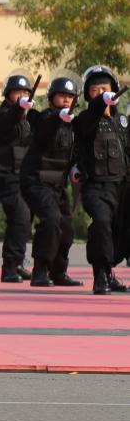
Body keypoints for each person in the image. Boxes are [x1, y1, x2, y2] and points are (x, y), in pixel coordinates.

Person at [20, 76, 81, 288]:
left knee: (67, 226)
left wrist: (76, 168)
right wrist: (59, 118)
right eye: (62, 96)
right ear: (51, 98)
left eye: (70, 96)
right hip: (35, 180)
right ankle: (40, 271)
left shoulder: (74, 126)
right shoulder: (42, 117)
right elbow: (44, 131)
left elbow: (75, 155)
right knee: (51, 219)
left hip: (57, 185)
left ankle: (58, 272)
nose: (66, 100)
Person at [72, 65, 127, 295]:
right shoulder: (84, 120)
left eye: (104, 89)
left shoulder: (123, 121)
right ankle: (100, 274)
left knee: (121, 229)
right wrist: (100, 102)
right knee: (102, 224)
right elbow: (93, 115)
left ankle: (110, 269)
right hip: (96, 186)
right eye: (94, 90)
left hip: (121, 185)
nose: (100, 93)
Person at [0, 73, 37, 283]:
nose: (22, 96)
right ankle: (9, 266)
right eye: (18, 92)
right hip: (6, 177)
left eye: (26, 92)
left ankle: (17, 262)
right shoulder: (1, 116)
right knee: (20, 216)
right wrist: (19, 109)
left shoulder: (26, 119)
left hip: (23, 177)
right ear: (8, 94)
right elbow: (7, 124)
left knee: (24, 221)